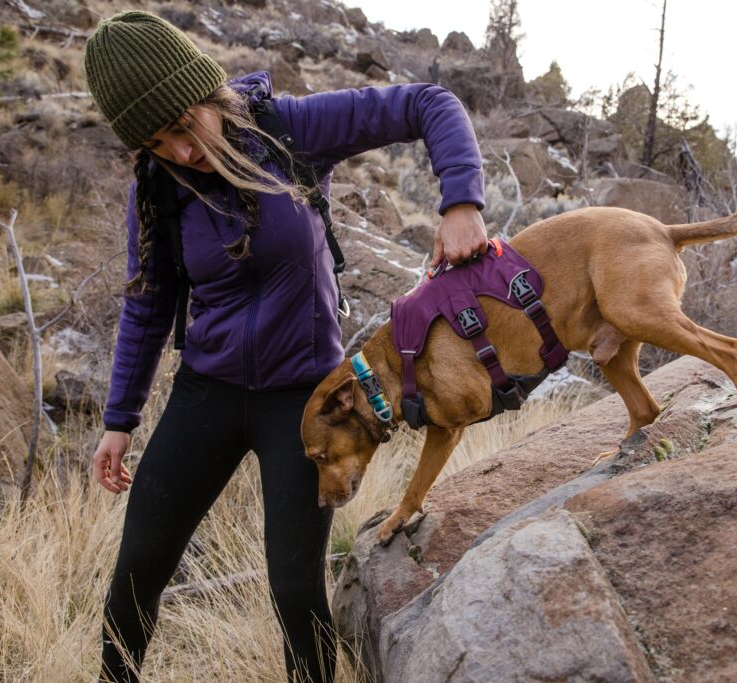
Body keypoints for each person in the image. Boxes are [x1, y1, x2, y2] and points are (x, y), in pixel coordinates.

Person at [84, 10, 489, 683]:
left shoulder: (288, 129)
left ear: (209, 93)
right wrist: (118, 421)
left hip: (303, 401)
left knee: (295, 593)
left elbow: (428, 102)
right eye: (159, 143)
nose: (183, 152)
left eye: (186, 125)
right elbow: (148, 304)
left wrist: (461, 201)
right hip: (205, 393)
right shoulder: (156, 189)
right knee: (132, 581)